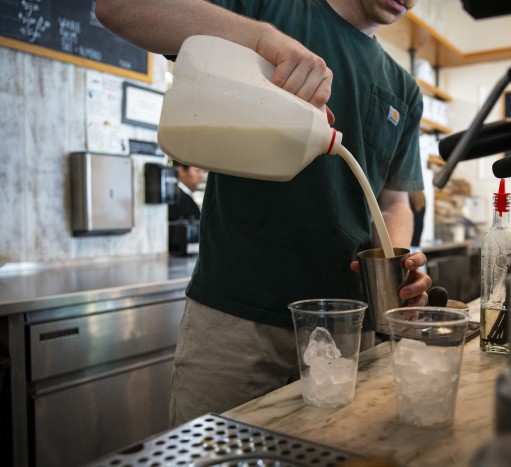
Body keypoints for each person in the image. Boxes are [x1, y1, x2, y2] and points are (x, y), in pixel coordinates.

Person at [96, 0, 432, 425]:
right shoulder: (269, 9)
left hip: (349, 333)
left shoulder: (404, 88)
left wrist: (399, 262)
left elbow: (393, 202)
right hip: (236, 323)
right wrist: (261, 39)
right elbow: (119, 9)